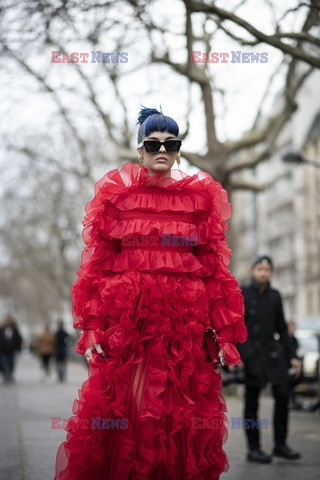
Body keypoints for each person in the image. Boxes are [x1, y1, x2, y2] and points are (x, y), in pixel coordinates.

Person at [54, 106, 247, 480]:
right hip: (131, 331)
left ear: (178, 150)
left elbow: (213, 271)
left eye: (171, 143)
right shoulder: (117, 201)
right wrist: (91, 326)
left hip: (184, 332)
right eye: (153, 143)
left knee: (179, 415)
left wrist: (225, 333)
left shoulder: (199, 201)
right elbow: (96, 271)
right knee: (132, 407)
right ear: (140, 151)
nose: (162, 150)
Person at [236, 255, 302, 464]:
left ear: (271, 272)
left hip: (273, 354)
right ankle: (253, 448)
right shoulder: (242, 293)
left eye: (267, 269)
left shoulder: (275, 296)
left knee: (283, 395)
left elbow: (281, 328)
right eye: (259, 269)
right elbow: (236, 327)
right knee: (251, 402)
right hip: (251, 354)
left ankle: (280, 445)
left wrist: (291, 355)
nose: (263, 273)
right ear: (252, 271)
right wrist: (241, 355)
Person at [0, 314, 22, 383]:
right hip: (3, 350)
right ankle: (7, 376)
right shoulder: (2, 329)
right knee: (4, 363)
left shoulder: (14, 329)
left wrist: (18, 348)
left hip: (12, 350)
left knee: (12, 363)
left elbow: (19, 339)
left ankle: (11, 375)